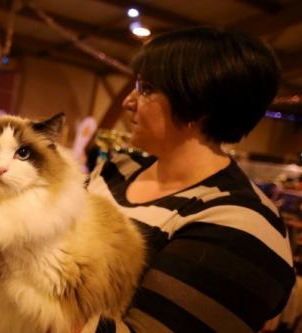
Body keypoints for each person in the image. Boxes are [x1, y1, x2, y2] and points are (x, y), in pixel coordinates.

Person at [82, 26, 296, 332]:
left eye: (146, 89)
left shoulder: (242, 227)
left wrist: (7, 266)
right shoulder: (119, 168)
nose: (129, 102)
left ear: (198, 104)